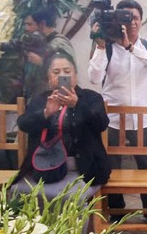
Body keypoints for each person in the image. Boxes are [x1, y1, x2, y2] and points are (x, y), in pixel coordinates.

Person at [87, 0, 147, 218]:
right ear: (117, 20)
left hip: (141, 120)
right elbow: (94, 77)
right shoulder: (107, 47)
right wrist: (100, 46)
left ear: (141, 20)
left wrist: (131, 47)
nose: (131, 22)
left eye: (135, 18)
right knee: (111, 166)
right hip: (112, 119)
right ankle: (116, 213)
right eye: (126, 18)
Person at [16, 53, 110, 204]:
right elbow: (23, 124)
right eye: (56, 72)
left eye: (67, 71)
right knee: (18, 193)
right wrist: (46, 113)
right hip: (44, 168)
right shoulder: (40, 99)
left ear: (75, 75)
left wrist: (77, 105)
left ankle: (71, 228)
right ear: (48, 77)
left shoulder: (91, 97)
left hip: (83, 169)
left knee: (71, 198)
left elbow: (102, 124)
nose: (62, 76)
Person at [20, 6, 76, 101]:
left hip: (54, 103)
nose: (27, 28)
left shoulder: (59, 44)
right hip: (37, 102)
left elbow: (66, 78)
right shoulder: (38, 43)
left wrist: (41, 62)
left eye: (30, 24)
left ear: (42, 24)